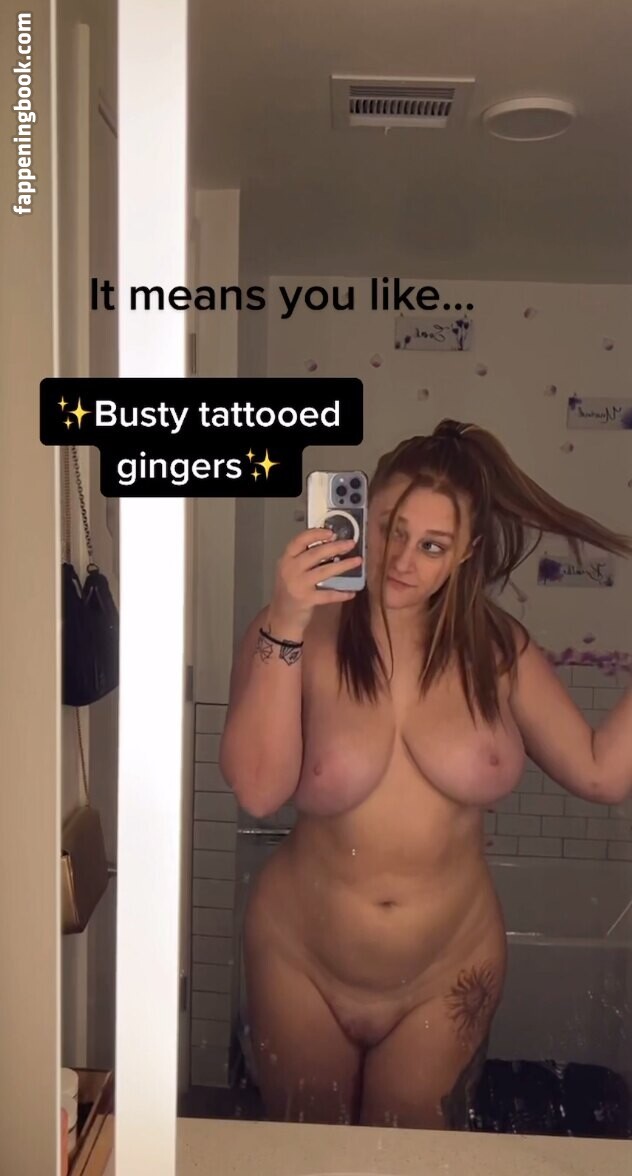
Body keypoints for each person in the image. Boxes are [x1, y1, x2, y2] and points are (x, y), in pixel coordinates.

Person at [219, 419, 632, 1130]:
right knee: (310, 1147)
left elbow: (601, 773)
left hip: (449, 967)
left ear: (465, 552)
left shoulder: (498, 651)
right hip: (300, 958)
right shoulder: (292, 633)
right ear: (362, 513)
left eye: (433, 545)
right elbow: (257, 790)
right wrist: (286, 619)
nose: (403, 560)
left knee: (409, 1150)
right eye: (391, 529)